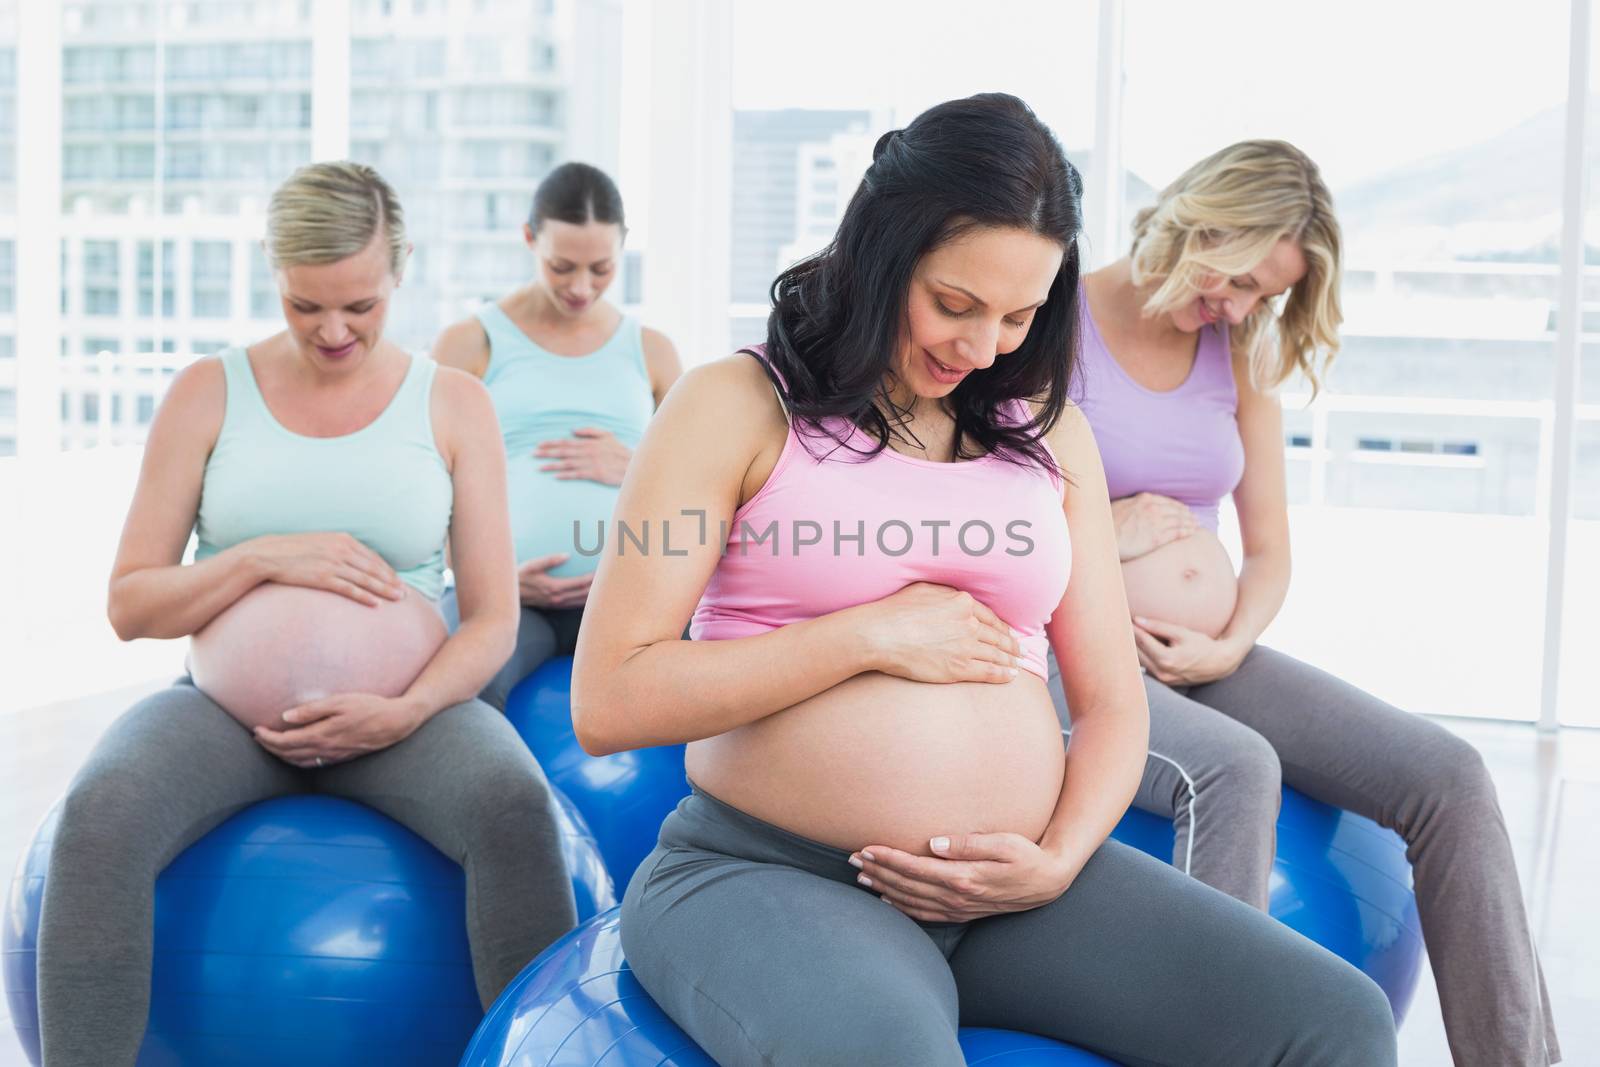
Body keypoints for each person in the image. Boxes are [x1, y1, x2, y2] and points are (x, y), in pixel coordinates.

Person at [572, 96, 1397, 1067]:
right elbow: (610, 696)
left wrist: (1052, 859)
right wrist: (865, 634)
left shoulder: (1048, 432)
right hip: (767, 871)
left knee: (1333, 1018)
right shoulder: (736, 403)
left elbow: (1109, 707)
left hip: (1015, 887)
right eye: (954, 304)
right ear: (880, 255)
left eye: (1018, 315)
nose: (981, 346)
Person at [36, 162, 578, 1066]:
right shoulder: (208, 393)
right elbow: (131, 602)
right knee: (98, 813)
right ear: (274, 274)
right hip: (222, 717)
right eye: (305, 305)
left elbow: (487, 618)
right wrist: (262, 555)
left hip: (407, 714)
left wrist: (403, 709)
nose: (334, 331)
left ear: (399, 269)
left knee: (516, 805)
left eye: (360, 306)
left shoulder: (452, 403)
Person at [1047, 139, 1559, 1067]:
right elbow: (972, 503)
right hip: (1068, 648)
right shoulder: (1052, 318)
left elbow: (1272, 550)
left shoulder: (1234, 350)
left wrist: (1228, 640)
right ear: (1195, 220)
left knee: (1450, 774)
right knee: (1236, 770)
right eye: (1238, 277)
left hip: (1204, 661)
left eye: (1266, 295)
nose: (1241, 308)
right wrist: (1097, 532)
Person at [433, 162, 681, 709]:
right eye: (561, 266)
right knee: (454, 688)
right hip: (508, 600)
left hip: (627, 598)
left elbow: (707, 484)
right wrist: (483, 577)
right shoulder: (468, 344)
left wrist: (638, 467)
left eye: (601, 268)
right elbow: (426, 485)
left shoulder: (653, 351)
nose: (580, 286)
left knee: (730, 669)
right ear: (529, 239)